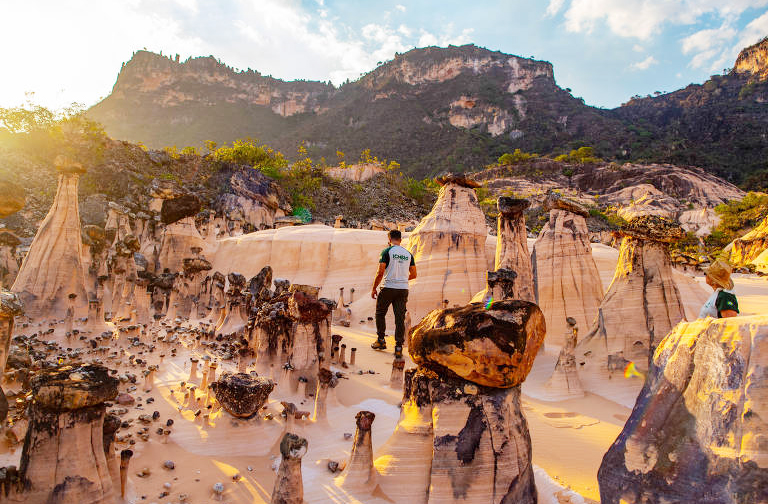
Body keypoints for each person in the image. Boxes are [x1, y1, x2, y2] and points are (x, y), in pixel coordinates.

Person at [370, 229, 417, 358]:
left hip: (388, 287)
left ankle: (381, 340)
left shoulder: (387, 251)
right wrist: (401, 280)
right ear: (400, 240)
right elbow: (414, 274)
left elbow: (380, 272)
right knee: (399, 318)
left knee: (380, 313)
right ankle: (398, 347)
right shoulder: (408, 254)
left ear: (389, 240)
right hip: (402, 290)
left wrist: (374, 288)